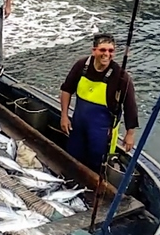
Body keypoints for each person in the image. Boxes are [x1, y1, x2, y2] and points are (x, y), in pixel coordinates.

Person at [59, 33, 139, 172]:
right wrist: (64, 116)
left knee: (97, 164)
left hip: (103, 133)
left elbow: (130, 108)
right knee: (73, 156)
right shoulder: (81, 66)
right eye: (102, 50)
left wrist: (130, 134)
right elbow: (66, 90)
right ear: (94, 50)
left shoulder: (121, 77)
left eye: (110, 51)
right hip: (78, 126)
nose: (106, 54)